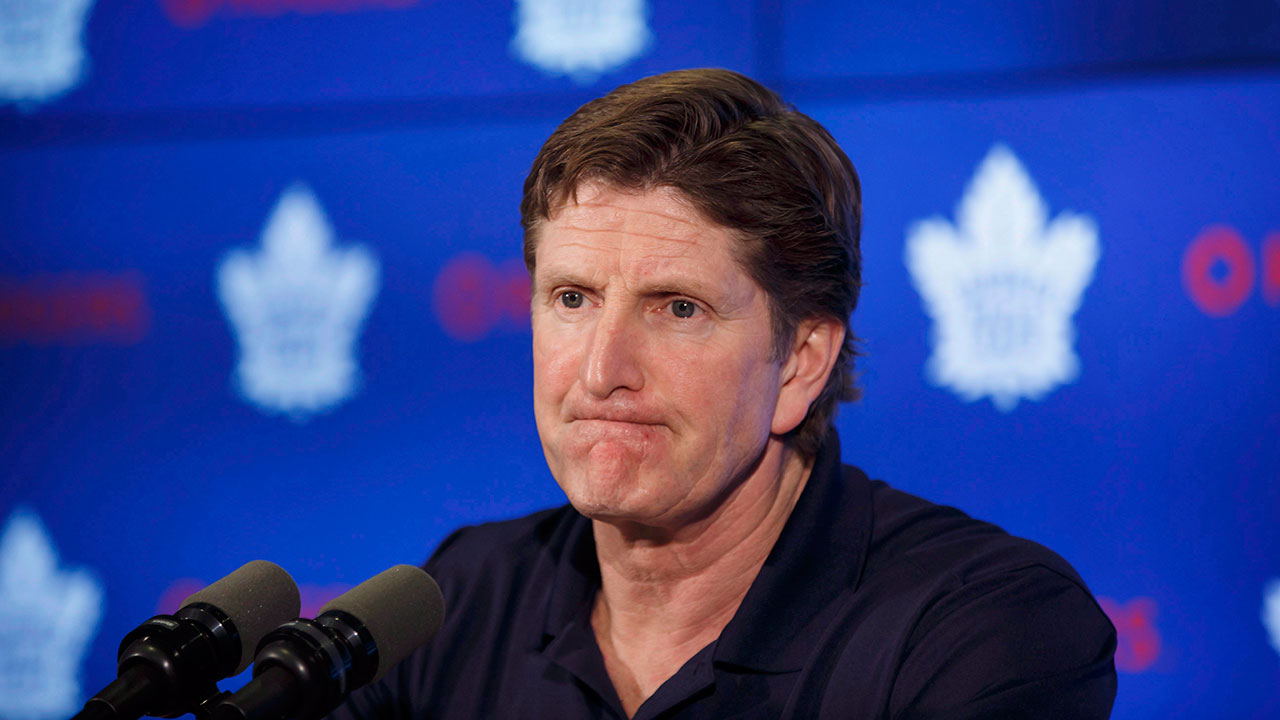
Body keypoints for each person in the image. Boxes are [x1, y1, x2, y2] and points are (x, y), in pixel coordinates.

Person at [329, 68, 1117, 719]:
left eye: (679, 308)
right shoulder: (458, 599)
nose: (602, 370)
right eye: (572, 298)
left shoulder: (982, 629)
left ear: (801, 362)